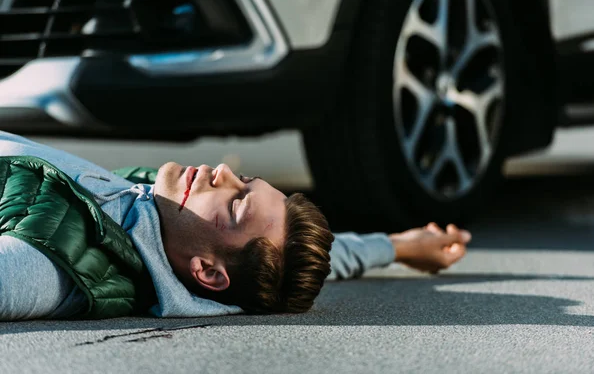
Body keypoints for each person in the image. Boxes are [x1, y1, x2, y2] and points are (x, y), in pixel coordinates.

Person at [0, 130, 471, 321]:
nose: (221, 174)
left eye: (235, 204)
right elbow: (316, 260)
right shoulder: (152, 213)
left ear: (206, 272)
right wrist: (401, 246)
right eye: (244, 180)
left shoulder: (53, 268)